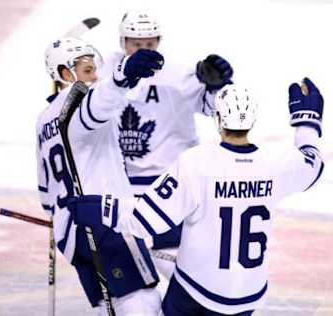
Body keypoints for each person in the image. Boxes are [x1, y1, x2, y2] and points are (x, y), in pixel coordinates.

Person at [68, 78, 325, 315]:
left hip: (195, 293)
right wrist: (307, 122)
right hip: (249, 296)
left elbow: (143, 220)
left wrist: (99, 207)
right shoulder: (276, 163)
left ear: (218, 119)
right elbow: (312, 163)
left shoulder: (197, 164)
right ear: (253, 120)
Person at [98, 10, 234, 278]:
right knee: (123, 280)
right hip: (119, 189)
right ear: (122, 42)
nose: (143, 50)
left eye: (149, 44)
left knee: (180, 276)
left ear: (159, 41)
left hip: (169, 188)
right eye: (136, 44)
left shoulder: (179, 76)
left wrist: (218, 87)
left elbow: (215, 109)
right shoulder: (104, 72)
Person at [36, 37, 164, 315]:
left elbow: (46, 195)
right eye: (87, 70)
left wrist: (58, 216)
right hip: (102, 222)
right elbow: (96, 108)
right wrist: (121, 78)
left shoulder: (44, 119)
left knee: (109, 306)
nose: (95, 76)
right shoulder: (75, 105)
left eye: (95, 70)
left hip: (70, 234)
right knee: (142, 300)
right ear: (64, 74)